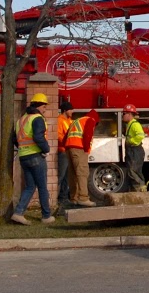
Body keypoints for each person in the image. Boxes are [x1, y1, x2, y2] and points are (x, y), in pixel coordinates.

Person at [11, 93, 55, 225]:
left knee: (30, 187)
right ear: (39, 105)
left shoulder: (21, 119)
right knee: (42, 187)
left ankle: (18, 213)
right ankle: (46, 216)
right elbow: (38, 137)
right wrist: (46, 149)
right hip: (36, 156)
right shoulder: (37, 118)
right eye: (44, 106)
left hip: (23, 156)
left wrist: (23, 149)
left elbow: (15, 139)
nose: (45, 109)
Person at [65, 109, 99, 207]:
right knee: (82, 172)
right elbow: (87, 135)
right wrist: (86, 149)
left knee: (73, 174)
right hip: (79, 148)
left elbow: (66, 135)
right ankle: (83, 198)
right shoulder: (91, 120)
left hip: (69, 148)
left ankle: (74, 198)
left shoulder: (77, 120)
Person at [123, 104, 147, 192]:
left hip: (135, 150)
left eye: (124, 113)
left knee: (133, 170)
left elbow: (140, 135)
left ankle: (140, 188)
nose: (123, 115)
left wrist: (131, 141)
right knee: (131, 171)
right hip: (132, 150)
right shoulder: (130, 124)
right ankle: (135, 190)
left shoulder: (135, 124)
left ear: (129, 114)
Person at [56, 99, 74, 206]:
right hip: (63, 151)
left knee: (67, 176)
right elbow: (58, 135)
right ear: (65, 110)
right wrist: (67, 142)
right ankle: (54, 197)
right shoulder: (60, 120)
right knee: (61, 175)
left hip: (68, 151)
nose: (72, 111)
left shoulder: (69, 120)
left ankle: (63, 198)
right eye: (70, 110)